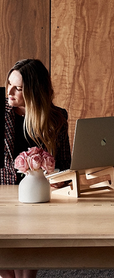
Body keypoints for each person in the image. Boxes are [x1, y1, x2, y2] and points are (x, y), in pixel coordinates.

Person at [1, 59, 71, 278]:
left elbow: (65, 165)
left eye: (18, 88)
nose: (9, 92)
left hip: (36, 198)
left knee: (26, 256)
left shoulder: (56, 118)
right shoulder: (3, 113)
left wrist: (59, 178)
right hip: (3, 193)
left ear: (33, 91)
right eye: (8, 84)